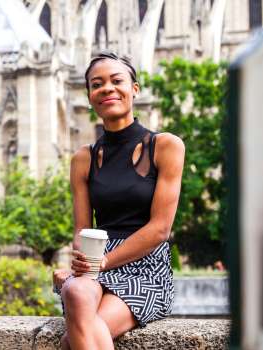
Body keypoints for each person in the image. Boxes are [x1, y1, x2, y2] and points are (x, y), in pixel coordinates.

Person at [52, 50, 185, 349]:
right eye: (97, 84)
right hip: (98, 261)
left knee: (69, 342)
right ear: (89, 96)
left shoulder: (165, 146)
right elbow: (82, 229)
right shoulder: (83, 159)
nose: (107, 88)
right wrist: (83, 263)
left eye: (116, 80)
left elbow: (160, 230)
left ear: (134, 89)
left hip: (146, 266)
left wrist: (101, 264)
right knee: (75, 293)